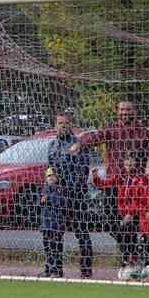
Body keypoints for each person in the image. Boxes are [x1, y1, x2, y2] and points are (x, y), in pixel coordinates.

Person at [70, 101, 149, 234]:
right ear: (117, 111)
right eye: (122, 109)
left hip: (134, 185)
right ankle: (128, 249)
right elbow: (96, 137)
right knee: (110, 222)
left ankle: (132, 251)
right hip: (113, 183)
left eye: (128, 109)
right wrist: (80, 144)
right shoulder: (111, 129)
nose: (125, 112)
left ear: (134, 111)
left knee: (133, 223)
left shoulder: (142, 132)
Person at [48, 111, 93, 278]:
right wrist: (50, 177)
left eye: (66, 123)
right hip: (58, 195)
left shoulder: (79, 144)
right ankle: (55, 268)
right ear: (55, 125)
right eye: (60, 123)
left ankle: (86, 270)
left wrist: (69, 186)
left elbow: (83, 170)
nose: (63, 126)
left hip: (76, 194)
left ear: (71, 125)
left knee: (82, 232)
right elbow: (49, 166)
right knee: (55, 232)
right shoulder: (52, 145)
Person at [92, 152, 141, 268]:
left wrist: (131, 213)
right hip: (121, 214)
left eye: (131, 162)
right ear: (124, 163)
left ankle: (131, 261)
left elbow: (138, 199)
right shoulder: (119, 177)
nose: (129, 164)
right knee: (118, 232)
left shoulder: (139, 179)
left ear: (135, 163)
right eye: (127, 162)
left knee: (130, 235)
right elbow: (103, 185)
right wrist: (95, 177)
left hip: (133, 214)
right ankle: (131, 258)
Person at [39, 167, 67, 278]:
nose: (51, 178)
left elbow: (61, 202)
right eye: (49, 176)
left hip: (57, 225)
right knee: (47, 248)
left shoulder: (60, 189)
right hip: (46, 225)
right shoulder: (44, 189)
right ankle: (48, 269)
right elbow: (40, 202)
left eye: (53, 176)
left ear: (57, 178)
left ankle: (58, 270)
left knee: (57, 248)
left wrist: (48, 198)